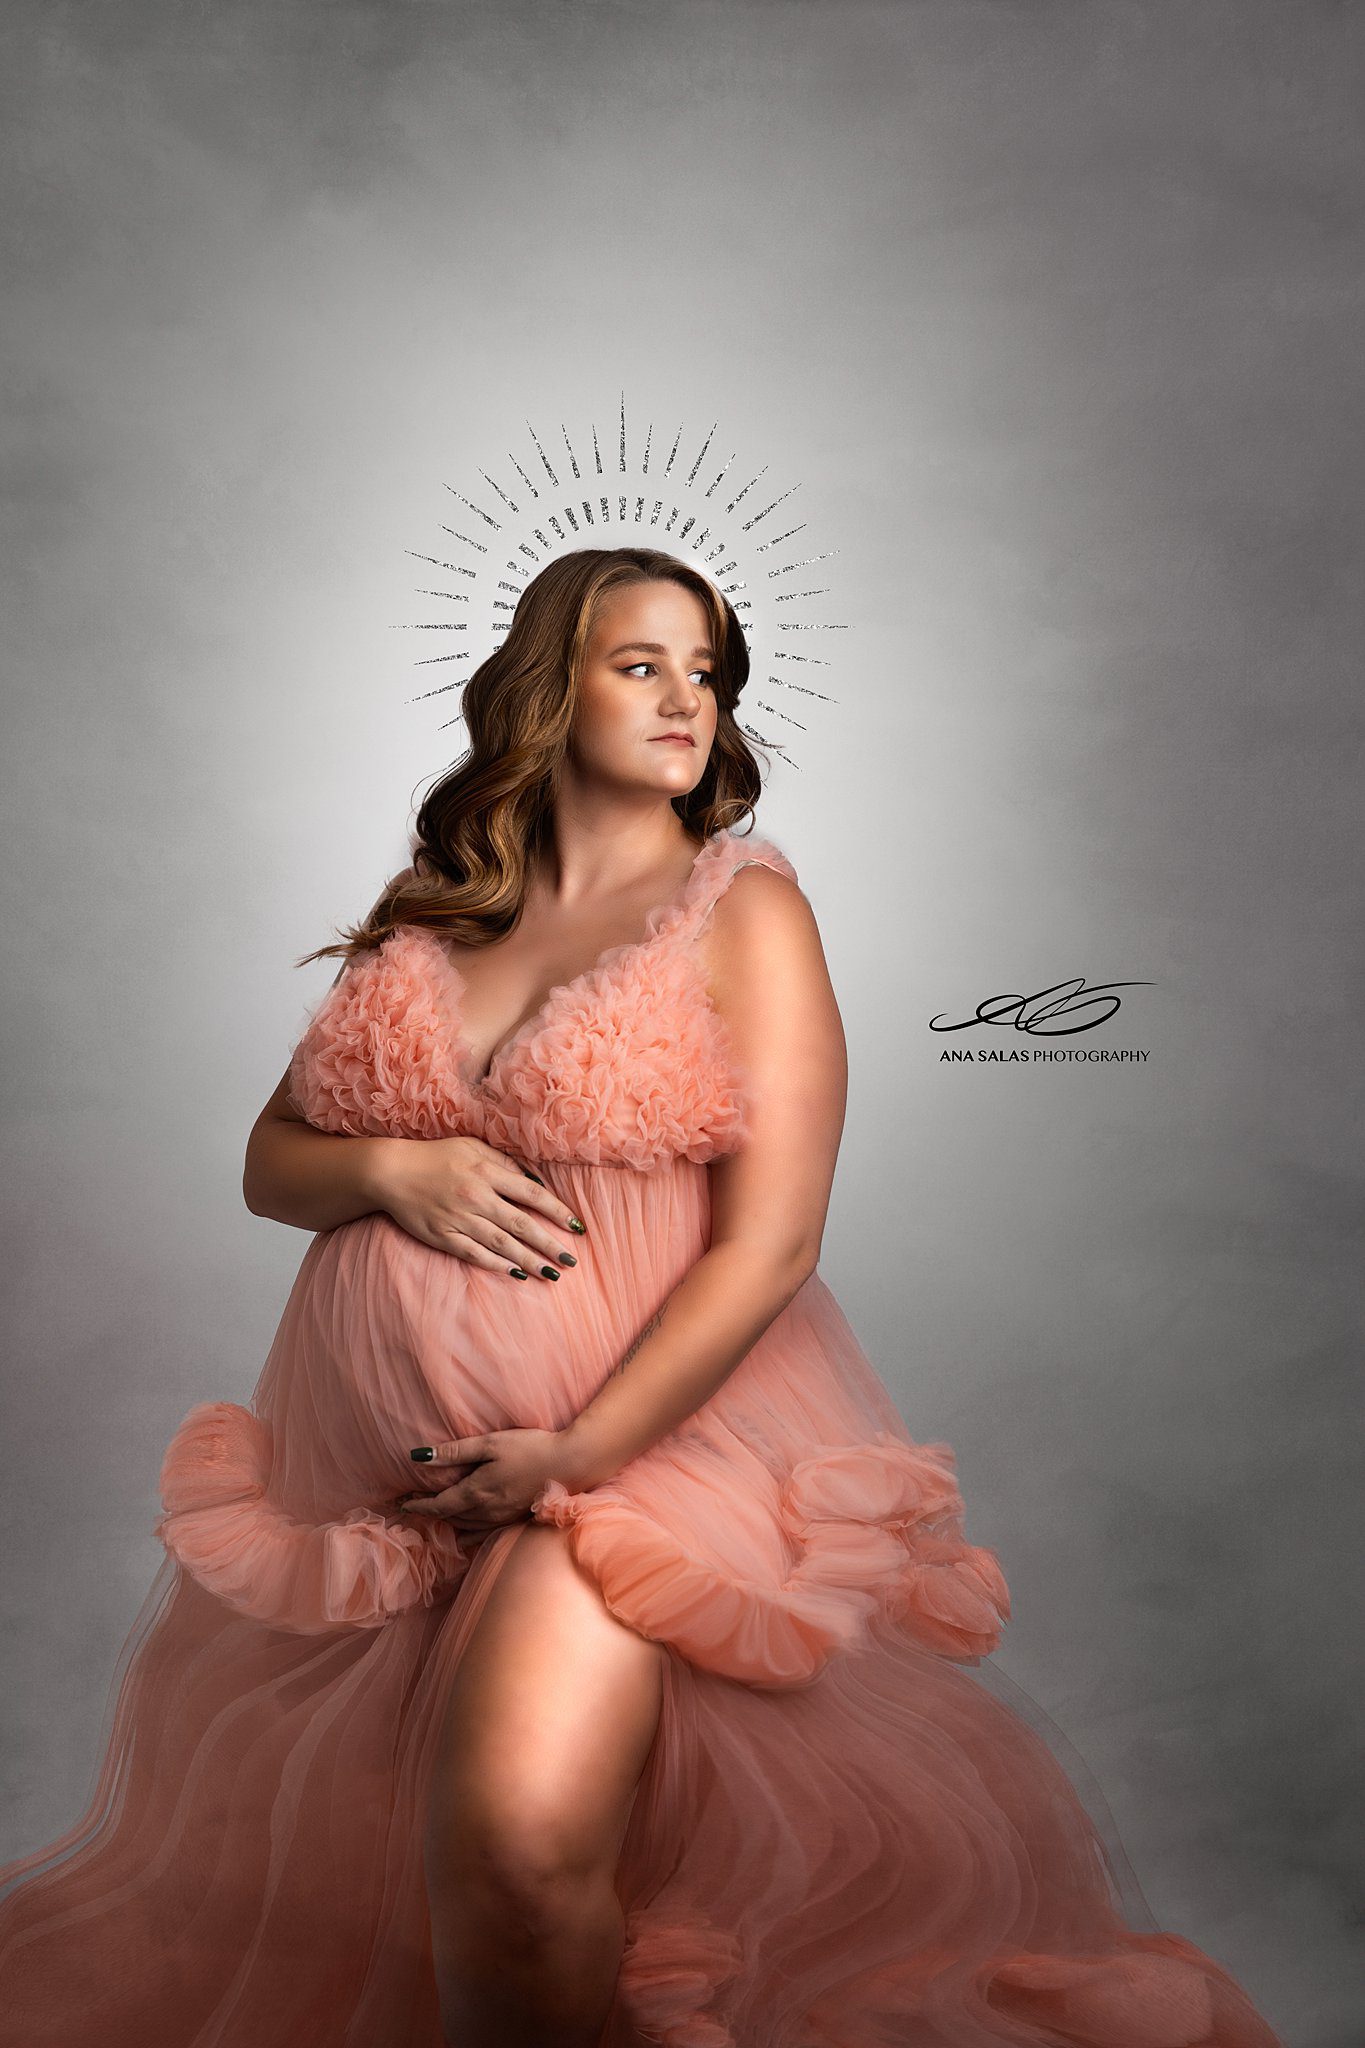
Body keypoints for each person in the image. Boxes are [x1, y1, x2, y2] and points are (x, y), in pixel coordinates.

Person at [0, 545, 1283, 2048]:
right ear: (550, 688)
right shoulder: (436, 916)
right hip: (392, 1497)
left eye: (705, 671)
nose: (688, 699)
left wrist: (576, 1454)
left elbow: (772, 1243)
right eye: (641, 665)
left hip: (637, 1465)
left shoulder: (739, 910)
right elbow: (273, 1163)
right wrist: (398, 1173)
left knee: (520, 1852)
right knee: (408, 1901)